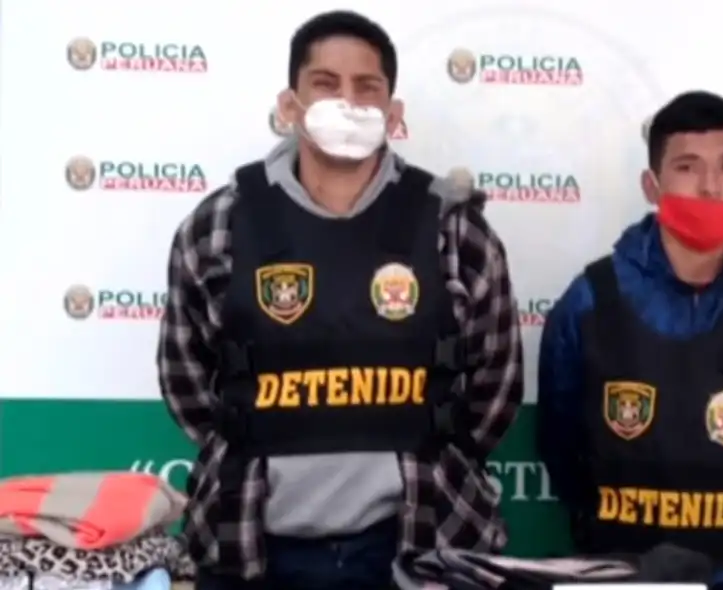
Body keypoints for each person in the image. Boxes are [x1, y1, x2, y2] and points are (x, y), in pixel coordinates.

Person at [157, 10, 523, 589]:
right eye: (325, 84)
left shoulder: (454, 230)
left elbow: (492, 396)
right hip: (251, 549)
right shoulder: (217, 227)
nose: (347, 101)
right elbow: (190, 390)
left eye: (367, 87)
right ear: (290, 104)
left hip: (420, 547)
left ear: (393, 113)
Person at [535, 91, 723, 590]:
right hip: (619, 575)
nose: (711, 186)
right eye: (688, 167)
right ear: (652, 184)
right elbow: (559, 441)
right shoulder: (591, 300)